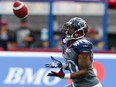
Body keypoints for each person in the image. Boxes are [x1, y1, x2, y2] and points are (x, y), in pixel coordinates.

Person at [45, 17, 102, 87]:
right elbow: (74, 67)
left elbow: (84, 72)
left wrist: (64, 76)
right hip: (77, 85)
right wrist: (61, 65)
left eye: (71, 28)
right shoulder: (67, 43)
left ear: (79, 32)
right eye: (68, 27)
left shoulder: (83, 45)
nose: (68, 30)